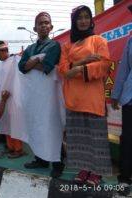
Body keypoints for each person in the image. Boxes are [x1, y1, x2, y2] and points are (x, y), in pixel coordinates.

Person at [57, 5, 112, 185]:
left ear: (91, 20)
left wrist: (76, 69)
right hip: (73, 98)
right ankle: (83, 168)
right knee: (78, 137)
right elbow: (62, 71)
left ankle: (97, 172)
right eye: (79, 18)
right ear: (74, 21)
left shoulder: (99, 40)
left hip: (93, 98)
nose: (83, 21)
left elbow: (103, 65)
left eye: (86, 17)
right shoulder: (67, 46)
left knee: (96, 137)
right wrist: (84, 61)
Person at [18, 12, 65, 178]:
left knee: (52, 126)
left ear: (51, 27)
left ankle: (58, 162)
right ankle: (41, 159)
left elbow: (48, 66)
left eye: (47, 23)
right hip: (33, 94)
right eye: (40, 23)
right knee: (36, 125)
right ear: (35, 28)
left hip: (49, 94)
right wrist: (37, 60)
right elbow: (21, 67)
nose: (44, 25)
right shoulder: (30, 48)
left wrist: (35, 62)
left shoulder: (54, 45)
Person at [111, 4, 132, 196]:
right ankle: (124, 178)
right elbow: (124, 70)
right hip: (130, 99)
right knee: (127, 139)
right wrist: (116, 95)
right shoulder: (130, 41)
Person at [0, 40, 24, 158]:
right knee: (7, 123)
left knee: (14, 124)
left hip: (14, 98)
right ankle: (11, 147)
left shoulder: (15, 60)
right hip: (4, 98)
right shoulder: (3, 64)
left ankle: (18, 149)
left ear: (5, 50)